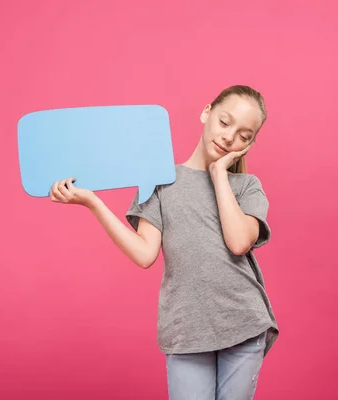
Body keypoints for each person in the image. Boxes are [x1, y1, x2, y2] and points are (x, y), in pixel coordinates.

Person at [48, 85, 279, 399]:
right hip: (186, 330)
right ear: (206, 112)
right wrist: (93, 203)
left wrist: (220, 174)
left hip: (242, 324)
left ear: (250, 143)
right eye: (225, 122)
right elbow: (145, 254)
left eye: (244, 135)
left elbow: (239, 242)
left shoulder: (248, 186)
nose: (228, 137)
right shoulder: (160, 180)